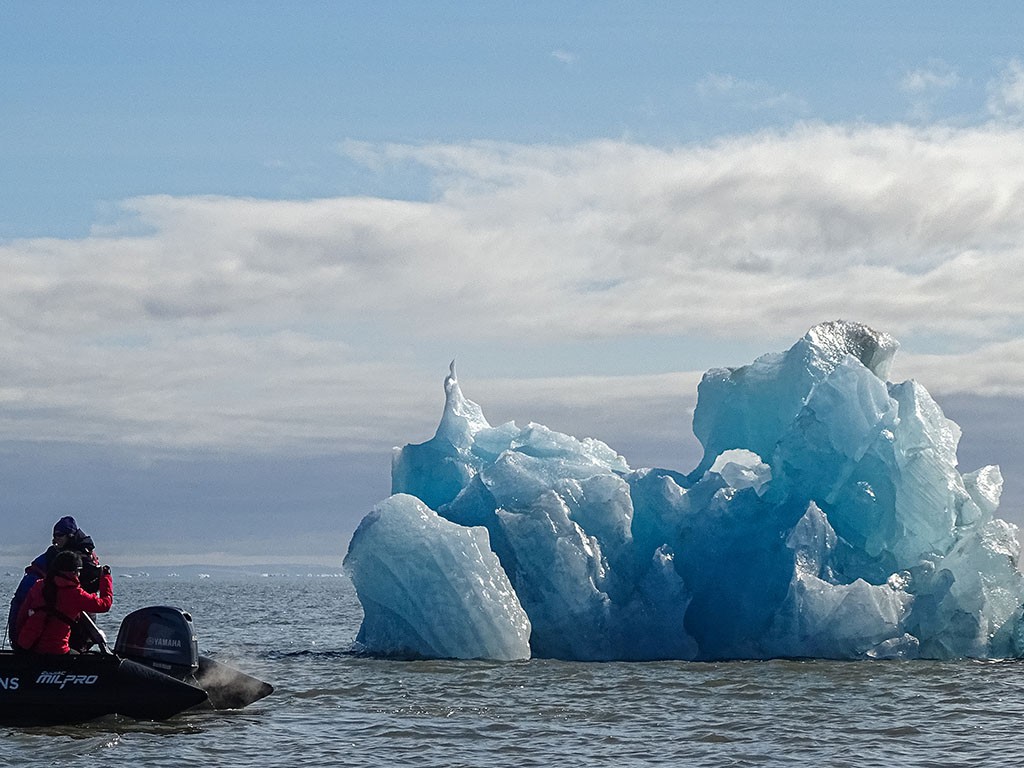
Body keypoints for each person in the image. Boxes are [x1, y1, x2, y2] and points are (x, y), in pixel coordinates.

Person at [6, 516, 103, 651]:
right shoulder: (86, 557)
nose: (54, 540)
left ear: (70, 535)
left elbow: (23, 606)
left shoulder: (59, 563)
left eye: (59, 535)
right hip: (77, 622)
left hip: (68, 626)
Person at [14, 550, 113, 655]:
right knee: (84, 656)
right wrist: (106, 578)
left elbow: (22, 615)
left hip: (28, 646)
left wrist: (20, 644)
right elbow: (104, 605)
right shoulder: (75, 594)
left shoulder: (39, 586)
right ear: (75, 572)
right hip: (56, 650)